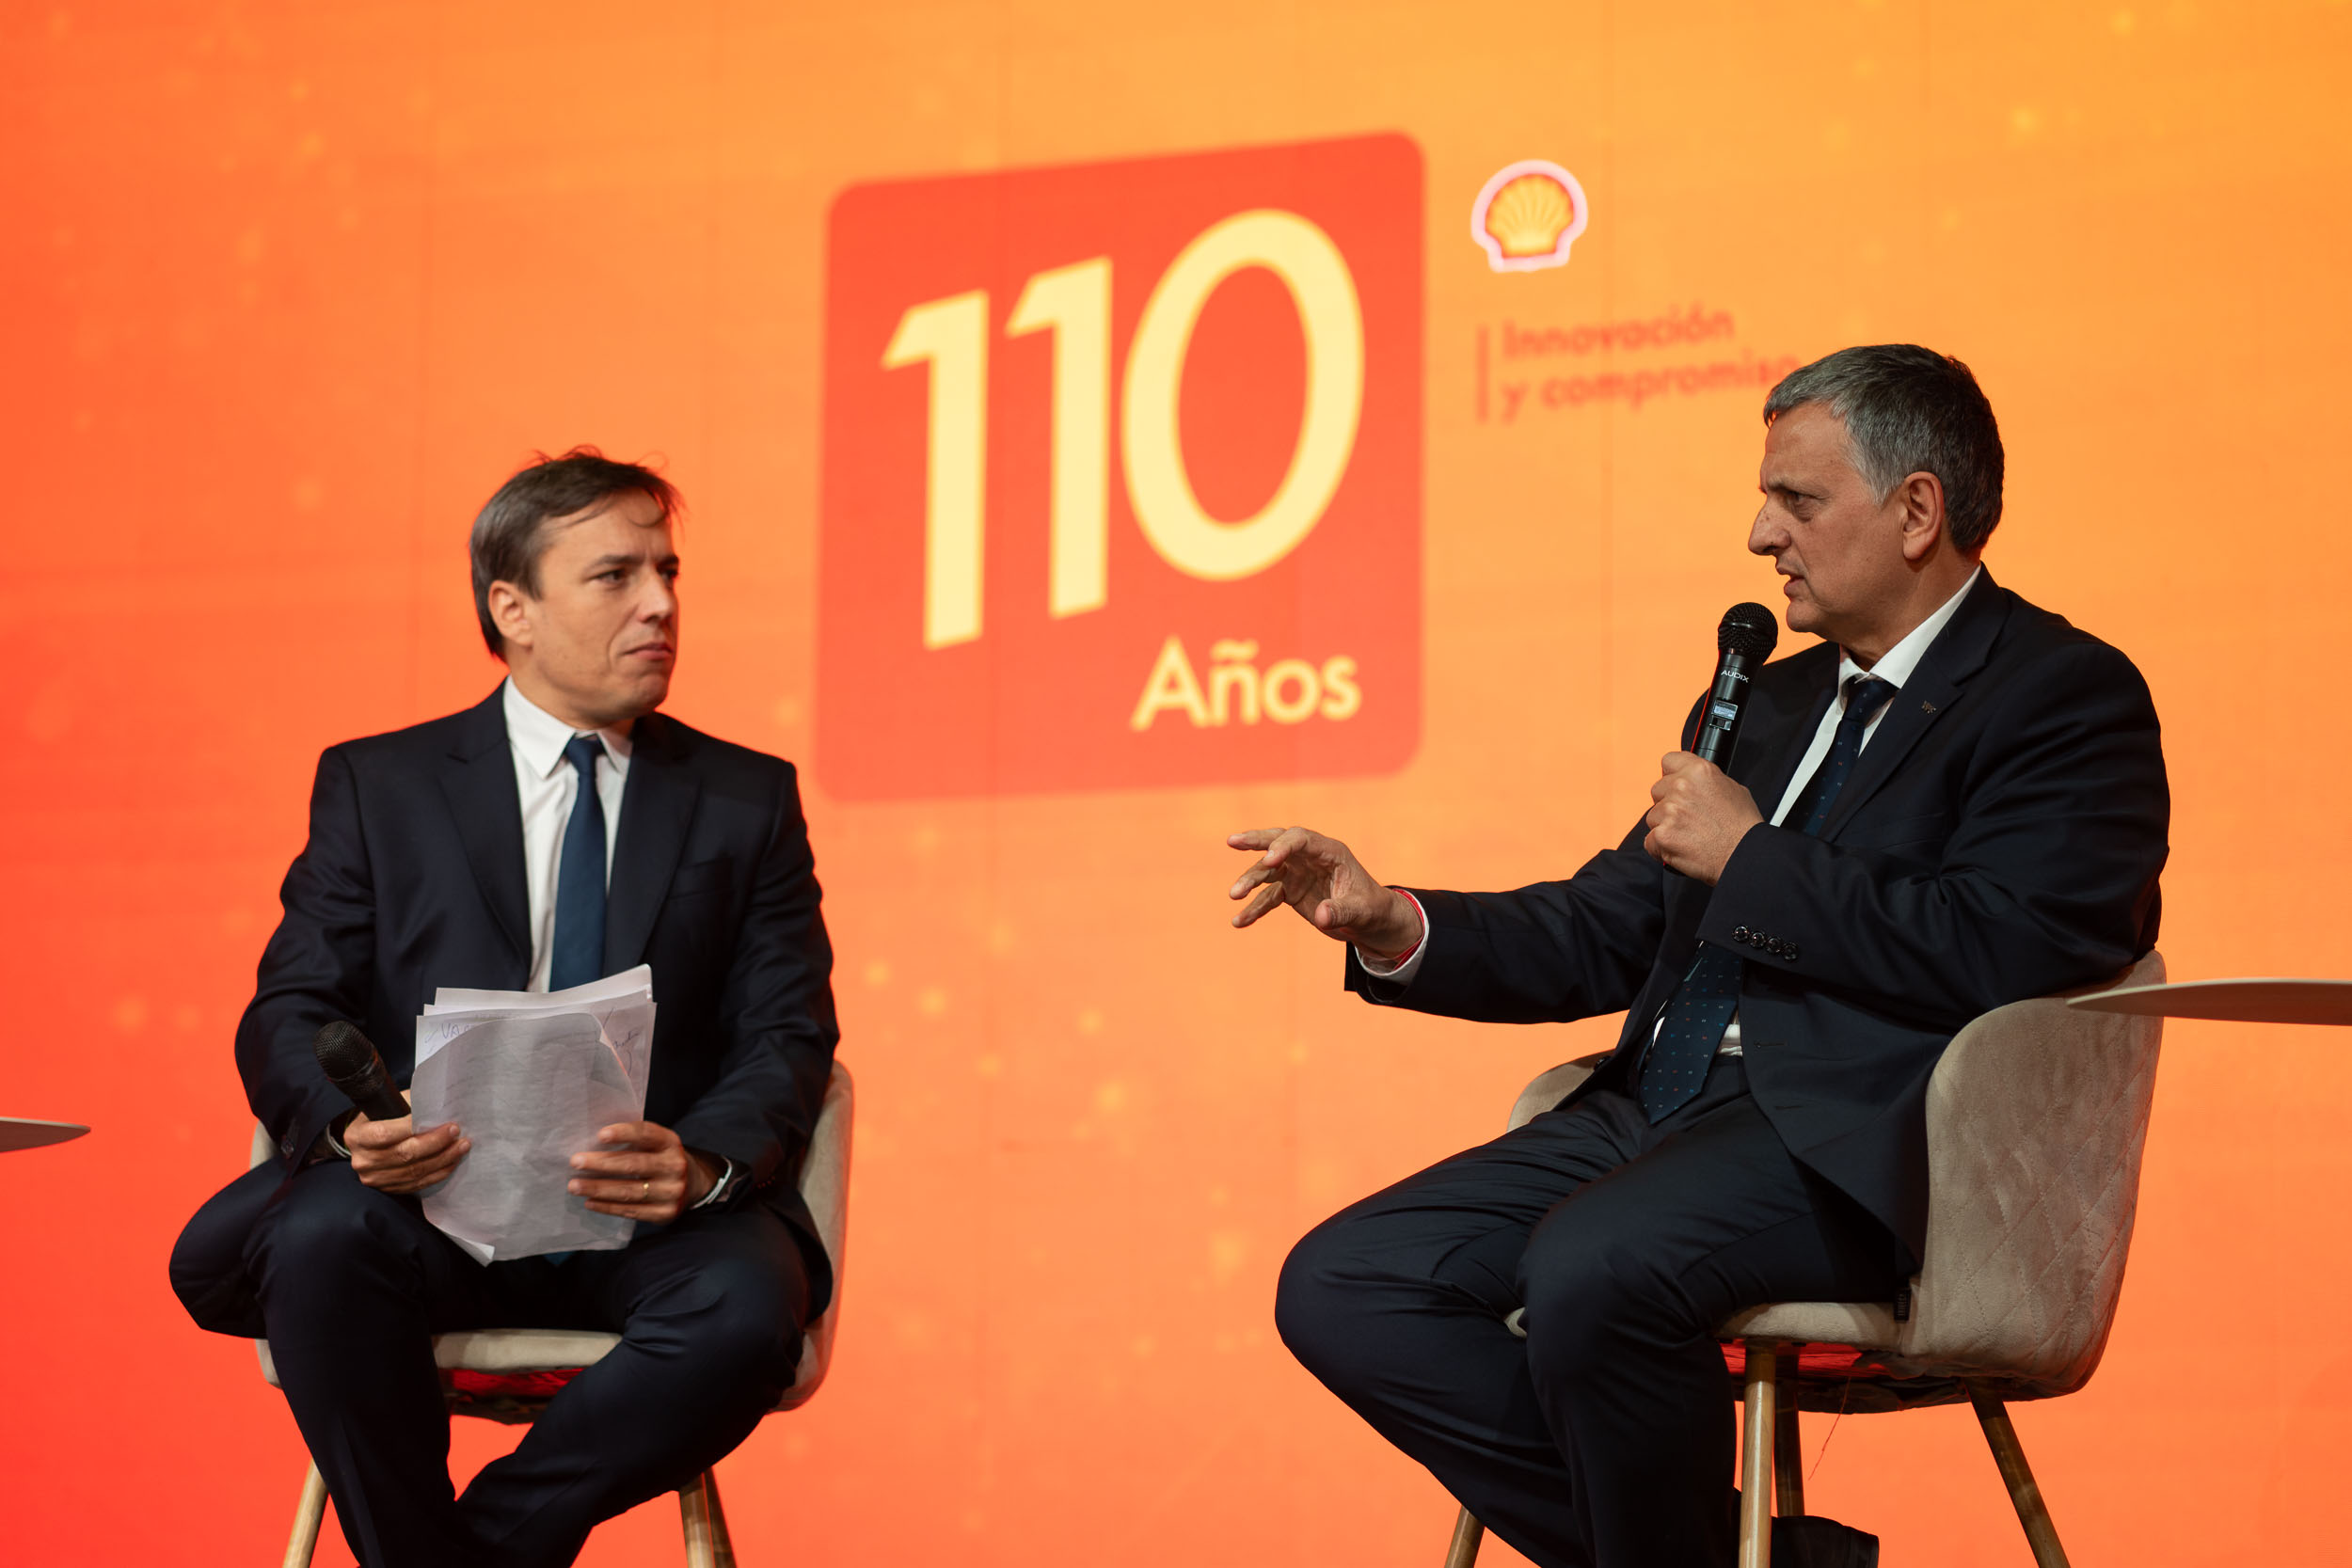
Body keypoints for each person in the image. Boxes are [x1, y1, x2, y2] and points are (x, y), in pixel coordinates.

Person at [1229, 346, 2169, 1568]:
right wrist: (1393, 919)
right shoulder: (1768, 704)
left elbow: (2014, 943)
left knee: (1591, 1265)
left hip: (1853, 1141)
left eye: (1798, 499)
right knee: (1348, 1281)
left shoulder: (2061, 696)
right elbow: (1611, 924)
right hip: (1651, 1118)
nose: (1758, 533)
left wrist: (1756, 855)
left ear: (1917, 509)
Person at [170, 449, 839, 1568]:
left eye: (669, 572)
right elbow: (290, 1006)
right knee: (326, 1236)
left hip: (646, 1218)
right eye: (616, 575)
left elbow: (789, 1031)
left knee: (744, 1310)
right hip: (429, 1207)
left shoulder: (745, 796)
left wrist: (706, 1163)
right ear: (511, 607)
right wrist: (351, 1135)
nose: (662, 604)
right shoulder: (379, 784)